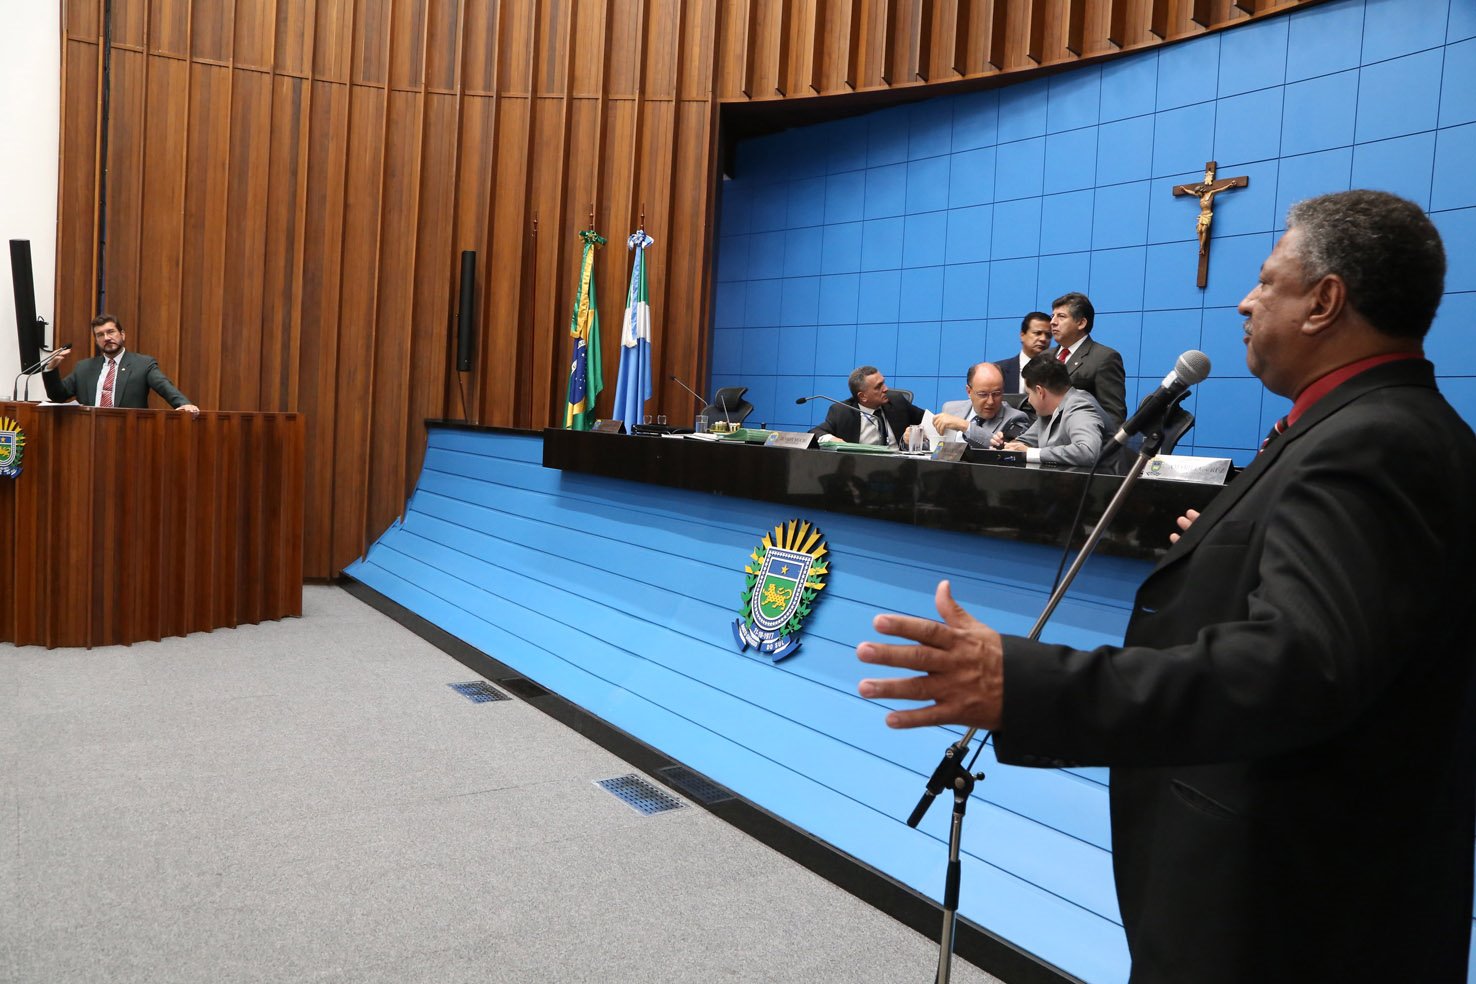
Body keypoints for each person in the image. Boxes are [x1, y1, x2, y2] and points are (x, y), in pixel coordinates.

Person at [855, 190, 1476, 983]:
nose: (1246, 301)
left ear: (1324, 301)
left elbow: (1300, 666)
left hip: (1294, 914)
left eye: (1267, 280)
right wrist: (1227, 554)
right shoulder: (1358, 428)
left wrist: (1028, 684)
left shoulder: (1376, 443)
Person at [42, 315, 200, 414]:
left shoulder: (143, 364)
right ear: (96, 340)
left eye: (111, 332)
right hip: (89, 434)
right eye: (100, 335)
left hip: (129, 434)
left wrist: (184, 404)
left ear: (122, 334)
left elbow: (164, 386)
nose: (106, 338)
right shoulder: (84, 367)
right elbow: (58, 396)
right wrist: (51, 368)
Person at [992, 354, 1109, 467]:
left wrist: (1032, 453)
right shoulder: (1048, 412)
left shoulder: (1080, 407)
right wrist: (1008, 445)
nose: (1029, 401)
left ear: (1040, 392)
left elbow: (1088, 452)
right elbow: (1025, 441)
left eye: (1029, 394)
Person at [1050, 292, 1126, 427]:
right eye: (1052, 316)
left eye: (1061, 316)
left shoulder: (1104, 358)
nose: (1053, 322)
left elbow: (1113, 416)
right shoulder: (1045, 356)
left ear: (1081, 323)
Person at [811, 365, 924, 448]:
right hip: (862, 468)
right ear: (863, 396)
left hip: (899, 468)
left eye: (883, 383)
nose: (886, 389)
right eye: (878, 387)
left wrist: (915, 433)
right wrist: (833, 440)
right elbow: (815, 433)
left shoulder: (897, 402)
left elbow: (928, 420)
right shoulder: (842, 411)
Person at [932, 362, 1028, 447]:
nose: (990, 401)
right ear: (969, 391)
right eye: (983, 394)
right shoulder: (950, 409)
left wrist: (965, 426)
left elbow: (1004, 447)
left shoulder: (1016, 418)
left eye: (996, 394)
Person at [996, 311, 1053, 395]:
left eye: (1048, 335)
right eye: (1038, 333)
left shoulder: (1056, 371)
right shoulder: (999, 370)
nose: (1043, 339)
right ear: (1022, 335)